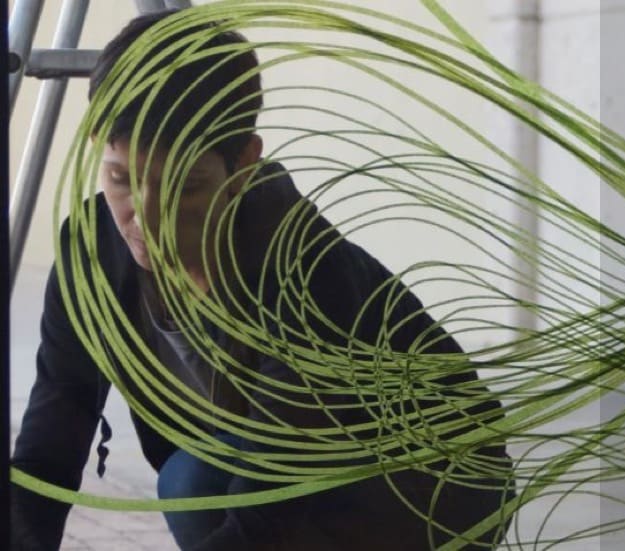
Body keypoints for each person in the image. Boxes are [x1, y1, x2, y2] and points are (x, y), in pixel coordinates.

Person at [11, 9, 514, 551]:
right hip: (280, 475)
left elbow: (272, 507)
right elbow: (52, 441)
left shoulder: (306, 273)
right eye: (120, 178)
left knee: (198, 486)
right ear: (96, 144)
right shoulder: (91, 254)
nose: (148, 218)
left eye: (186, 186)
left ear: (245, 163)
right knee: (193, 479)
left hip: (433, 485)